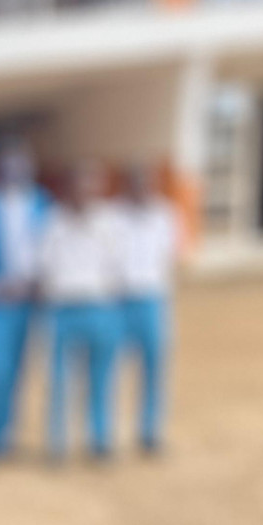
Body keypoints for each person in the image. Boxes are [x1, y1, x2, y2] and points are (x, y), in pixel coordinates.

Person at [0, 139, 51, 457]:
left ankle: (13, 433)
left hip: (32, 300)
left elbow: (52, 248)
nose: (15, 173)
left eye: (21, 167)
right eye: (9, 168)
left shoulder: (43, 203)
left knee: (23, 367)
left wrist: (38, 282)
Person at [37, 160, 124, 460]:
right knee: (61, 380)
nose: (84, 192)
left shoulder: (109, 222)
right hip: (64, 310)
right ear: (67, 190)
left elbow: (117, 268)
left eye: (91, 186)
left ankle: (99, 439)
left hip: (100, 307)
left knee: (101, 378)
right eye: (78, 186)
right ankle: (57, 443)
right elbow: (44, 268)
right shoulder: (53, 223)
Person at [113, 161, 177, 454]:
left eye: (147, 183)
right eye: (136, 182)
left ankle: (150, 432)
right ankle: (105, 434)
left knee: (154, 368)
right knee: (109, 369)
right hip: (118, 300)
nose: (142, 189)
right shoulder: (111, 216)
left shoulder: (165, 215)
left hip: (152, 299)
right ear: (127, 186)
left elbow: (171, 256)